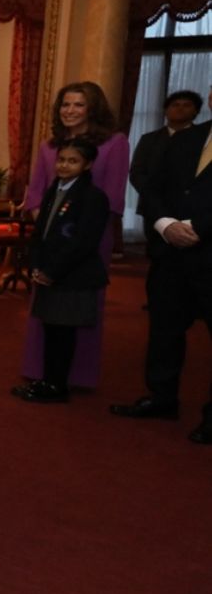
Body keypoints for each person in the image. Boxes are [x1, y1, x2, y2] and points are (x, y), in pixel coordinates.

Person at [18, 82, 129, 393]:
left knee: (79, 305)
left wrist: (71, 230)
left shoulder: (114, 143)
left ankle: (76, 376)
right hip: (50, 235)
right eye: (65, 104)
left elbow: (113, 196)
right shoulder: (49, 146)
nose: (70, 110)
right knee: (46, 305)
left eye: (78, 105)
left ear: (93, 108)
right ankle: (41, 372)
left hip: (89, 238)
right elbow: (37, 192)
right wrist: (47, 226)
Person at [110, 111, 212, 443]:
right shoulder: (184, 139)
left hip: (208, 251)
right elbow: (153, 187)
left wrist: (198, 228)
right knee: (164, 330)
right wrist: (164, 224)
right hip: (171, 254)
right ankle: (161, 398)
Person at [13, 138, 109, 404]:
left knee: (63, 333)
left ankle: (57, 385)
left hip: (71, 276)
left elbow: (84, 243)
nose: (64, 165)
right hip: (48, 272)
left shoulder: (93, 197)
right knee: (51, 330)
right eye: (61, 160)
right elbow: (40, 234)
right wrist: (35, 265)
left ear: (87, 165)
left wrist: (52, 272)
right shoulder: (54, 190)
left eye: (73, 161)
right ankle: (48, 380)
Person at [129, 90, 201, 207]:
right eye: (175, 105)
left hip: (192, 205)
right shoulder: (149, 139)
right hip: (152, 204)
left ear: (196, 111)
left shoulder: (202, 138)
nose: (180, 108)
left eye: (186, 105)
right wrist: (150, 194)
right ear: (166, 111)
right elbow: (136, 172)